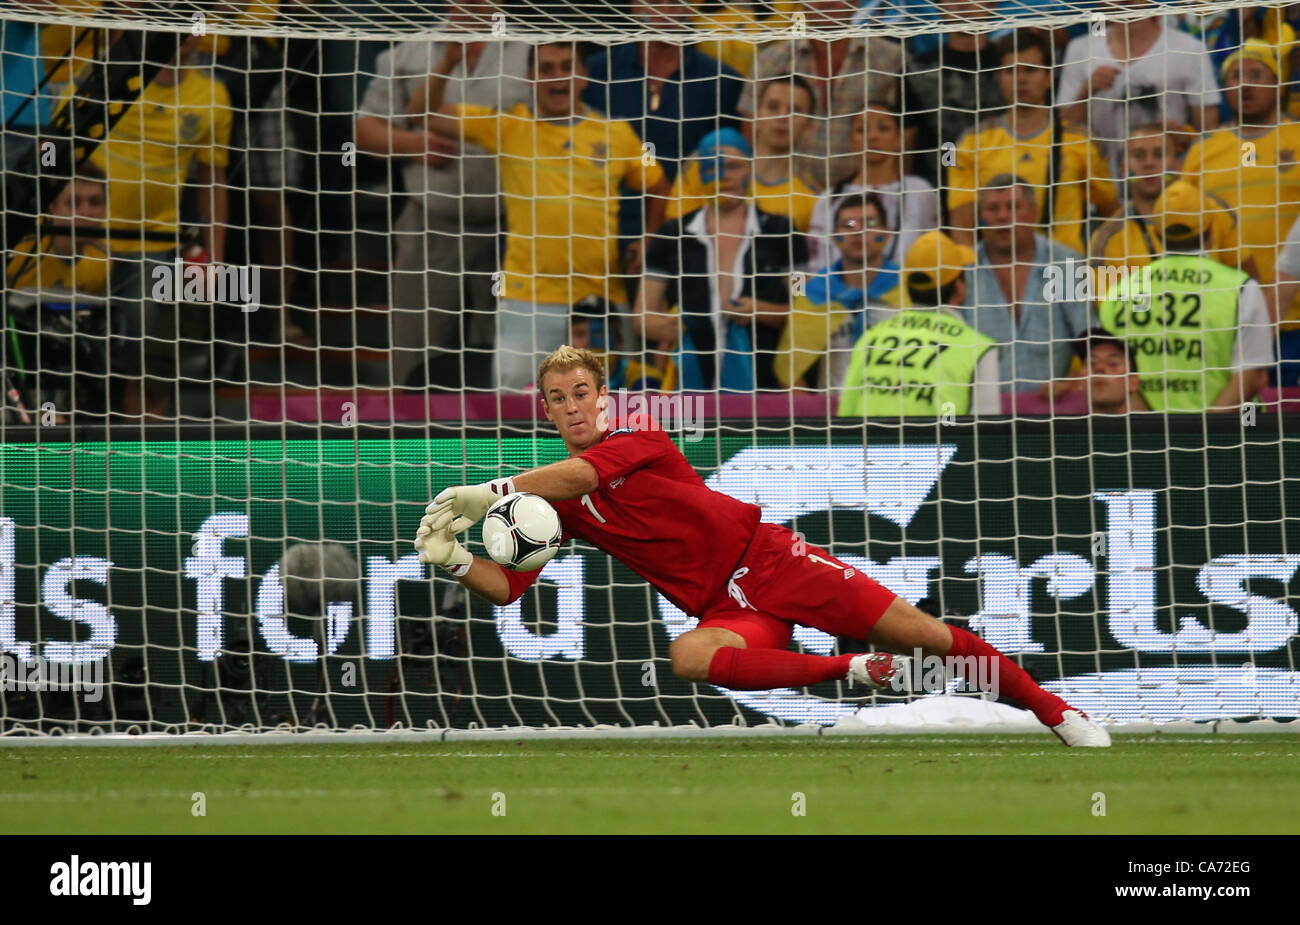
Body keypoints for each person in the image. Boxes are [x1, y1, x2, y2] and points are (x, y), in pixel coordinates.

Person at [412, 344, 1111, 747]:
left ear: (604, 397)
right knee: (689, 654)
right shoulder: (548, 503)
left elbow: (586, 471)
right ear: (545, 408)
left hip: (772, 561)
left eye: (582, 391)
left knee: (928, 635)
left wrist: (493, 489)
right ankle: (851, 668)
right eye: (557, 397)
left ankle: (1058, 712)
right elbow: (510, 587)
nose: (571, 405)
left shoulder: (639, 436)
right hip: (726, 603)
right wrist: (454, 559)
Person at [419, 41, 671, 391]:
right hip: (528, 299)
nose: (557, 76)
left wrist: (649, 238)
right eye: (546, 68)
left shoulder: (619, 134)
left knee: (607, 412)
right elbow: (423, 115)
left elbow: (660, 185)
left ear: (583, 75)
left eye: (567, 66)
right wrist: (447, 60)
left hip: (600, 300)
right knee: (516, 414)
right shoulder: (507, 126)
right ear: (530, 78)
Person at [355, 2, 530, 388]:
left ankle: (510, 445)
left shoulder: (531, 49)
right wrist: (410, 143)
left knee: (511, 364)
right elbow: (364, 130)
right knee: (415, 355)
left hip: (513, 230)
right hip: (430, 223)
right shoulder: (406, 53)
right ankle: (410, 441)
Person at [635, 129, 805, 391]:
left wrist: (762, 311)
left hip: (767, 385)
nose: (724, 175)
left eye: (734, 166)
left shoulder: (782, 233)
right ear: (699, 174)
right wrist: (670, 327)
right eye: (712, 167)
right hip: (691, 387)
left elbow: (805, 307)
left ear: (750, 169)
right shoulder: (671, 235)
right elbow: (643, 316)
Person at [1098, 182, 1273, 412]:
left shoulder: (1119, 294)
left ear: (1158, 234)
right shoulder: (1241, 288)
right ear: (1210, 230)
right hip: (1231, 439)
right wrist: (1202, 439)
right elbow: (1251, 376)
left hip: (1146, 441)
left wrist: (1157, 435)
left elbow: (1118, 383)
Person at [947, 30, 1117, 254]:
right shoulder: (972, 143)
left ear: (1048, 78)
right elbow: (962, 228)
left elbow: (1110, 214)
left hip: (1063, 272)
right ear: (999, 78)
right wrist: (975, 275)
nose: (1021, 79)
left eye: (1030, 70)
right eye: (1010, 71)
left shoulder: (1080, 140)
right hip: (1001, 271)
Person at [1181, 40, 1300, 328]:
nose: (1244, 84)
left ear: (1278, 82)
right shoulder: (1202, 151)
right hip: (1228, 315)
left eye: (1256, 74)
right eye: (1236, 76)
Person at [738, 0, 911, 190]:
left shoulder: (891, 60)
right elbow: (751, 132)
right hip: (787, 195)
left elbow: (906, 136)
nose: (826, 2)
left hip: (866, 196)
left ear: (856, 2)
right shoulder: (770, 61)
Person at [837, 230, 1000, 417]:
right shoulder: (978, 348)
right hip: (944, 446)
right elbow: (988, 436)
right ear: (959, 287)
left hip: (869, 446)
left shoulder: (869, 339)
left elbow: (845, 418)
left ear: (907, 288)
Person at [962, 175, 1092, 398]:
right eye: (993, 209)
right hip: (981, 411)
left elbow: (1090, 337)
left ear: (1033, 212)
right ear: (981, 216)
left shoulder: (1066, 264)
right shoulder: (962, 270)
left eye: (1013, 207)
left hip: (1053, 411)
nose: (1003, 216)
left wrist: (1073, 382)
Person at [1058, 9, 1222, 177]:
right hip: (1099, 183)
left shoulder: (1190, 48)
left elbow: (1209, 132)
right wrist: (1085, 93)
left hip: (1169, 181)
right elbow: (1063, 132)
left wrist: (1185, 139)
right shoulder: (1080, 49)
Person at [777, 194, 901, 391]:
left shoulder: (906, 289)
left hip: (898, 412)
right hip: (833, 416)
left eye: (869, 223)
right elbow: (789, 372)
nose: (858, 232)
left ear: (887, 234)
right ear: (835, 236)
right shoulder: (813, 293)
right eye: (848, 225)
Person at [666, 75, 818, 231]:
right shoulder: (705, 165)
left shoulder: (811, 200)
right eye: (773, 107)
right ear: (756, 115)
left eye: (795, 111)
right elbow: (675, 237)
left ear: (810, 127)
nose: (783, 117)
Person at [1090, 131, 1250, 274]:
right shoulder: (1108, 238)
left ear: (1177, 166)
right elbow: (1106, 305)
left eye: (1159, 155)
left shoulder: (1214, 211)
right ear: (1124, 169)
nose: (1149, 164)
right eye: (1139, 155)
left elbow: (1247, 286)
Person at [806, 102, 939, 273]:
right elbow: (814, 264)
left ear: (899, 138)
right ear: (851, 141)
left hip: (904, 296)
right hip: (836, 297)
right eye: (862, 130)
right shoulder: (828, 198)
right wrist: (801, 296)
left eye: (883, 129)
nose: (873, 136)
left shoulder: (920, 191)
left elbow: (934, 252)